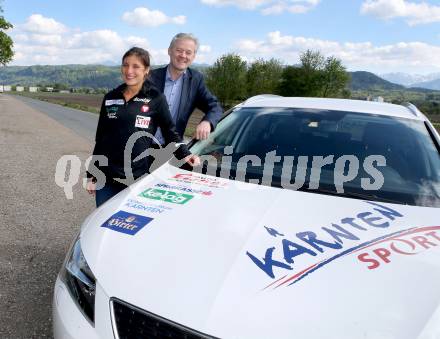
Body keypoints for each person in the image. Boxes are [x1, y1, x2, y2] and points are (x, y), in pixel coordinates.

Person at [86, 47, 199, 207]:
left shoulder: (155, 98)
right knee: (105, 225)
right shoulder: (111, 97)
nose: (129, 70)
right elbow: (101, 138)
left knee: (128, 224)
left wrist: (185, 154)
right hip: (106, 178)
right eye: (125, 65)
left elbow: (170, 132)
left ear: (146, 70)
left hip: (136, 179)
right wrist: (92, 173)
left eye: (135, 66)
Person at [149, 33, 222, 144]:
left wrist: (207, 122)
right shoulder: (150, 78)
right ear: (169, 51)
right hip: (142, 146)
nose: (183, 55)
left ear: (193, 56)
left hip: (172, 151)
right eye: (179, 50)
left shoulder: (195, 81)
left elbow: (215, 107)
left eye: (188, 52)